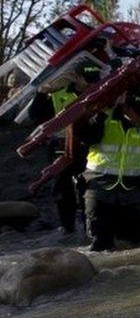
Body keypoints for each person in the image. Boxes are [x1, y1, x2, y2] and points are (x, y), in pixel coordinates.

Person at [77, 80, 140, 251]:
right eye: (139, 113)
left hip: (132, 190)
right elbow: (83, 133)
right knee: (100, 240)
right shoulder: (104, 119)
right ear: (126, 108)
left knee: (134, 239)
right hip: (100, 186)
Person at [27, 62, 103, 233]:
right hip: (61, 147)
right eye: (87, 80)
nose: (91, 85)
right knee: (62, 189)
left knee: (88, 187)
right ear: (76, 78)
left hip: (88, 146)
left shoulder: (100, 93)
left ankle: (89, 227)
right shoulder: (58, 93)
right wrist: (43, 91)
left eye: (94, 80)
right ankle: (68, 227)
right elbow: (35, 116)